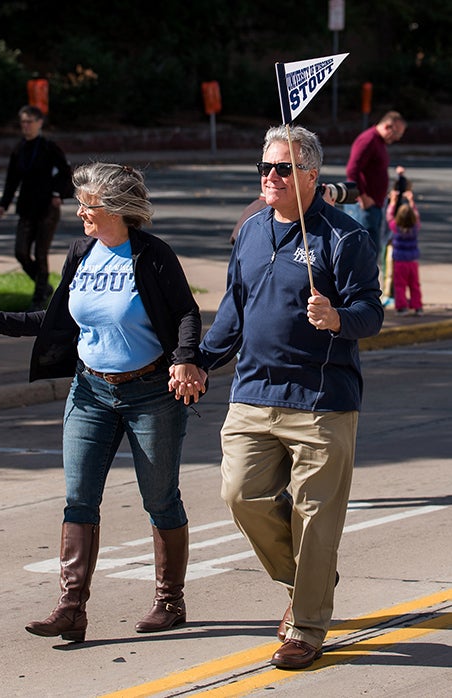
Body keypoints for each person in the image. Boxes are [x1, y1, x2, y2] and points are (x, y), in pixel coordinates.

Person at [0, 162, 207, 642]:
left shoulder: (152, 256)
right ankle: (71, 609)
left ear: (116, 209)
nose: (80, 214)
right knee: (79, 498)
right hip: (90, 391)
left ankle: (169, 601)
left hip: (150, 393)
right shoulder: (81, 253)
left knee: (159, 498)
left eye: (88, 205)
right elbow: (58, 319)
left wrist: (184, 359)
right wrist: (2, 320)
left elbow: (186, 313)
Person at [188, 126, 384, 669]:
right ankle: (308, 580)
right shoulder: (250, 231)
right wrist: (201, 361)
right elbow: (234, 311)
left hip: (322, 400)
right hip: (252, 394)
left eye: (282, 169)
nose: (269, 177)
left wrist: (338, 318)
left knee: (315, 518)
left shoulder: (345, 239)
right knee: (240, 495)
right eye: (265, 168)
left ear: (312, 177)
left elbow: (372, 312)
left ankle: (306, 626)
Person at [0, 105, 74, 311]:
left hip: (47, 207)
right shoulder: (19, 149)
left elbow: (66, 172)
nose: (26, 126)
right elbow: (12, 179)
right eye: (23, 122)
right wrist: (4, 203)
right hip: (26, 207)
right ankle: (44, 285)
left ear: (40, 123)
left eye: (30, 121)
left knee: (41, 253)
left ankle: (39, 297)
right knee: (21, 251)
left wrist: (58, 194)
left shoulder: (49, 147)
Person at [344, 110, 406, 271]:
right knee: (362, 253)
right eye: (397, 133)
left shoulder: (378, 142)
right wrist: (363, 197)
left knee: (371, 253)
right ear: (387, 126)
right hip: (363, 206)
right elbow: (352, 170)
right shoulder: (368, 140)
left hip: (374, 205)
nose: (397, 138)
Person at [386, 177, 422, 315]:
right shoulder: (415, 228)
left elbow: (389, 216)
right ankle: (417, 306)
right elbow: (417, 215)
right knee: (414, 285)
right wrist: (411, 201)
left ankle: (402, 307)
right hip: (412, 261)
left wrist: (393, 202)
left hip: (400, 261)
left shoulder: (396, 228)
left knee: (400, 285)